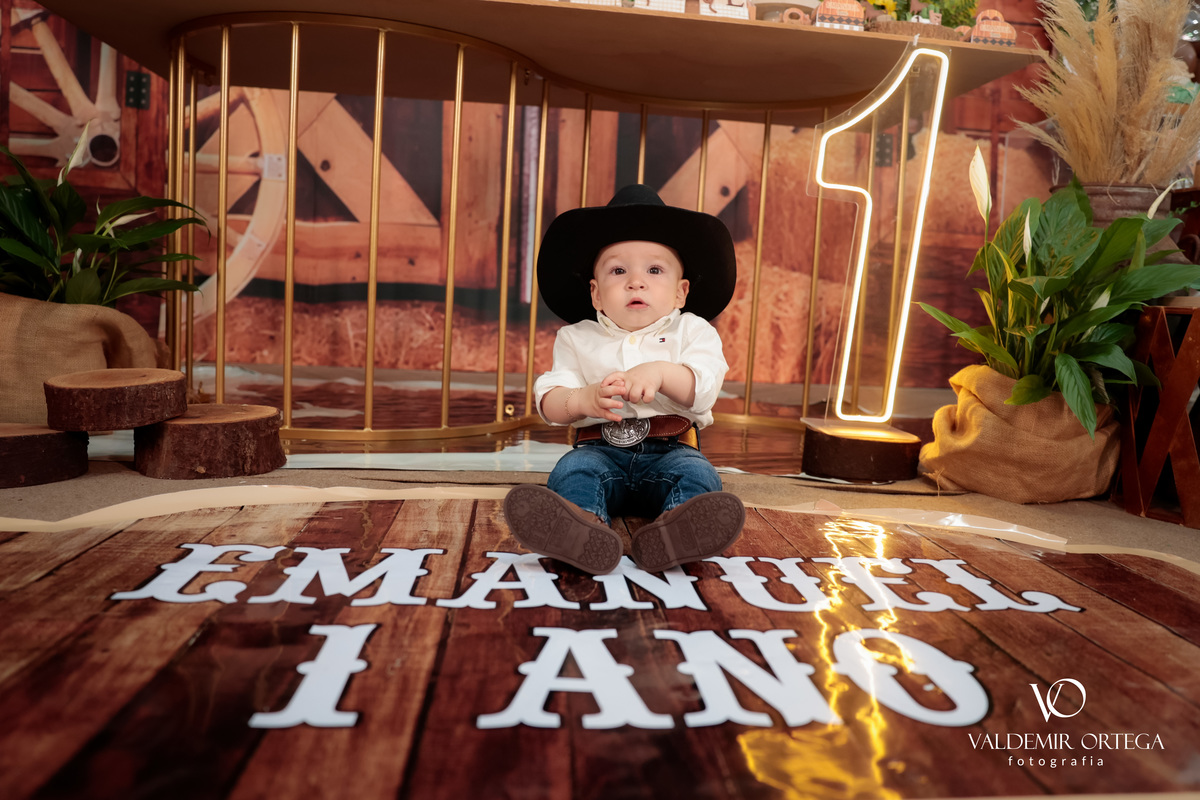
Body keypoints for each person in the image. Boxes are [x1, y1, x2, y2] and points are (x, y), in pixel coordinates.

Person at [503, 183, 745, 575]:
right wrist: (582, 399)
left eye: (654, 270)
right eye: (618, 271)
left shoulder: (693, 331)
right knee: (572, 472)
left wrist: (661, 372)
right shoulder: (577, 337)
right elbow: (549, 399)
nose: (636, 281)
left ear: (681, 292)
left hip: (672, 450)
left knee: (699, 475)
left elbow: (703, 390)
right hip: (599, 449)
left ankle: (677, 530)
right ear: (596, 294)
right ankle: (581, 527)